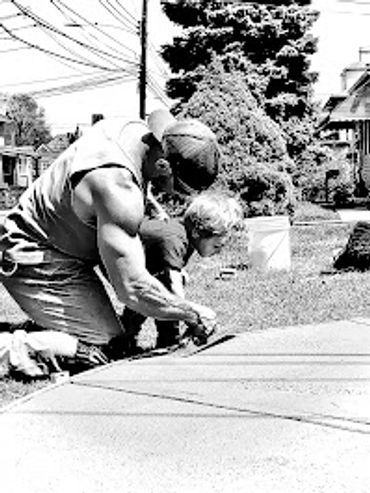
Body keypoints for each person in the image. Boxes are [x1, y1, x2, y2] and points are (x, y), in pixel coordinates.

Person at [0, 109, 221, 371]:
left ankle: (49, 326)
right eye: (181, 188)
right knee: (99, 348)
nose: (177, 197)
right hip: (33, 251)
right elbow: (132, 288)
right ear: (163, 165)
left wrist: (151, 209)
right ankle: (11, 346)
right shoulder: (116, 186)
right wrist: (191, 313)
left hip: (68, 244)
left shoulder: (136, 133)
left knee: (114, 334)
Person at [122, 192, 242, 353]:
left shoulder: (186, 235)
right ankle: (124, 339)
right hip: (116, 258)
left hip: (144, 267)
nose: (219, 252)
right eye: (216, 246)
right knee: (157, 294)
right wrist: (194, 319)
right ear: (197, 233)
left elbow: (168, 265)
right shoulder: (174, 239)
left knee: (159, 291)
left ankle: (163, 339)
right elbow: (175, 289)